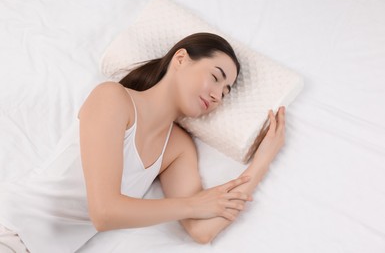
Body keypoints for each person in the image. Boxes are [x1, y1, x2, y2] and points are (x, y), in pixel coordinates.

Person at [0, 32, 285, 252]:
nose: (216, 96)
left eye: (225, 93)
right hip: (11, 231)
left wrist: (262, 161)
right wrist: (195, 204)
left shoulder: (177, 148)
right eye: (215, 78)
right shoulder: (112, 98)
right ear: (181, 58)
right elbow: (105, 212)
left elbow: (202, 230)